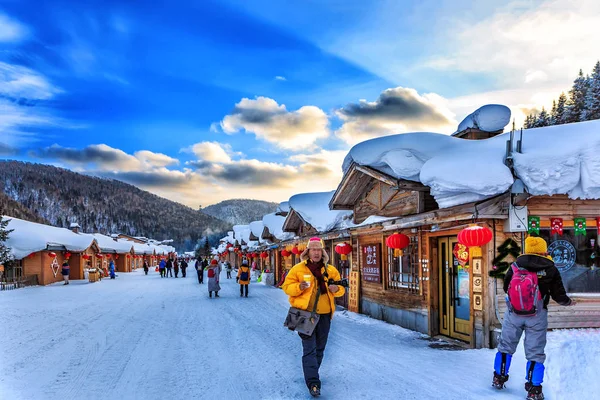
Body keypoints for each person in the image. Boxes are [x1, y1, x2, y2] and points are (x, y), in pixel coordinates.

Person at [492, 236, 576, 400]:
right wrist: (568, 302)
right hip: (537, 315)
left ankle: (498, 378)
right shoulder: (550, 268)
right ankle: (534, 389)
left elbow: (506, 287)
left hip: (514, 313)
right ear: (543, 250)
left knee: (506, 346)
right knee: (535, 353)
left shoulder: (516, 265)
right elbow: (559, 295)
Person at [282, 237, 345, 398]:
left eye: (319, 250)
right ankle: (313, 383)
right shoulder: (298, 269)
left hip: (324, 315)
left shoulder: (330, 270)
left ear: (322, 252)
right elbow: (286, 287)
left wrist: (335, 288)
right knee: (309, 349)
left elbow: (342, 290)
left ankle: (312, 372)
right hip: (304, 315)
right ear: (308, 252)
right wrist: (298, 287)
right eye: (313, 250)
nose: (316, 253)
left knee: (320, 349)